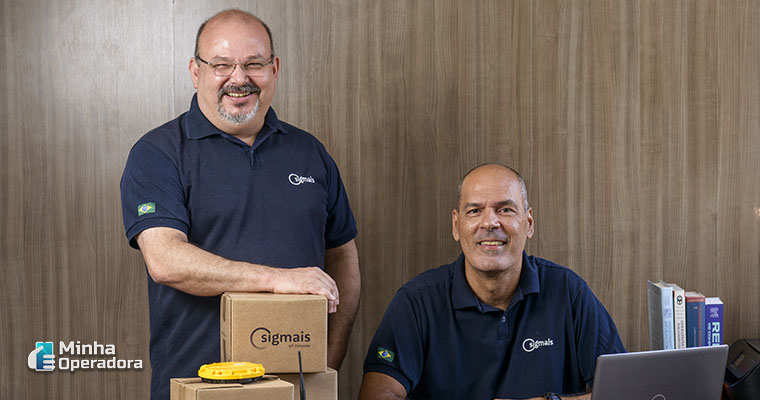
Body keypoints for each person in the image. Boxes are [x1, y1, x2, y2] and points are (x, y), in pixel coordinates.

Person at [120, 10, 360, 399]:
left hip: (296, 390)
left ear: (274, 69)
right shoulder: (158, 153)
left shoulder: (310, 153)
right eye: (221, 65)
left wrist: (326, 366)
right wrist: (278, 279)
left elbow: (343, 258)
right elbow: (165, 259)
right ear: (195, 71)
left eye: (254, 64)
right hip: (198, 387)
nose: (239, 78)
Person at [359, 164, 625, 400]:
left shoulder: (568, 291)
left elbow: (625, 392)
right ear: (456, 225)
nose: (490, 222)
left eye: (505, 210)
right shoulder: (417, 302)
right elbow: (376, 395)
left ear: (529, 223)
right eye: (475, 211)